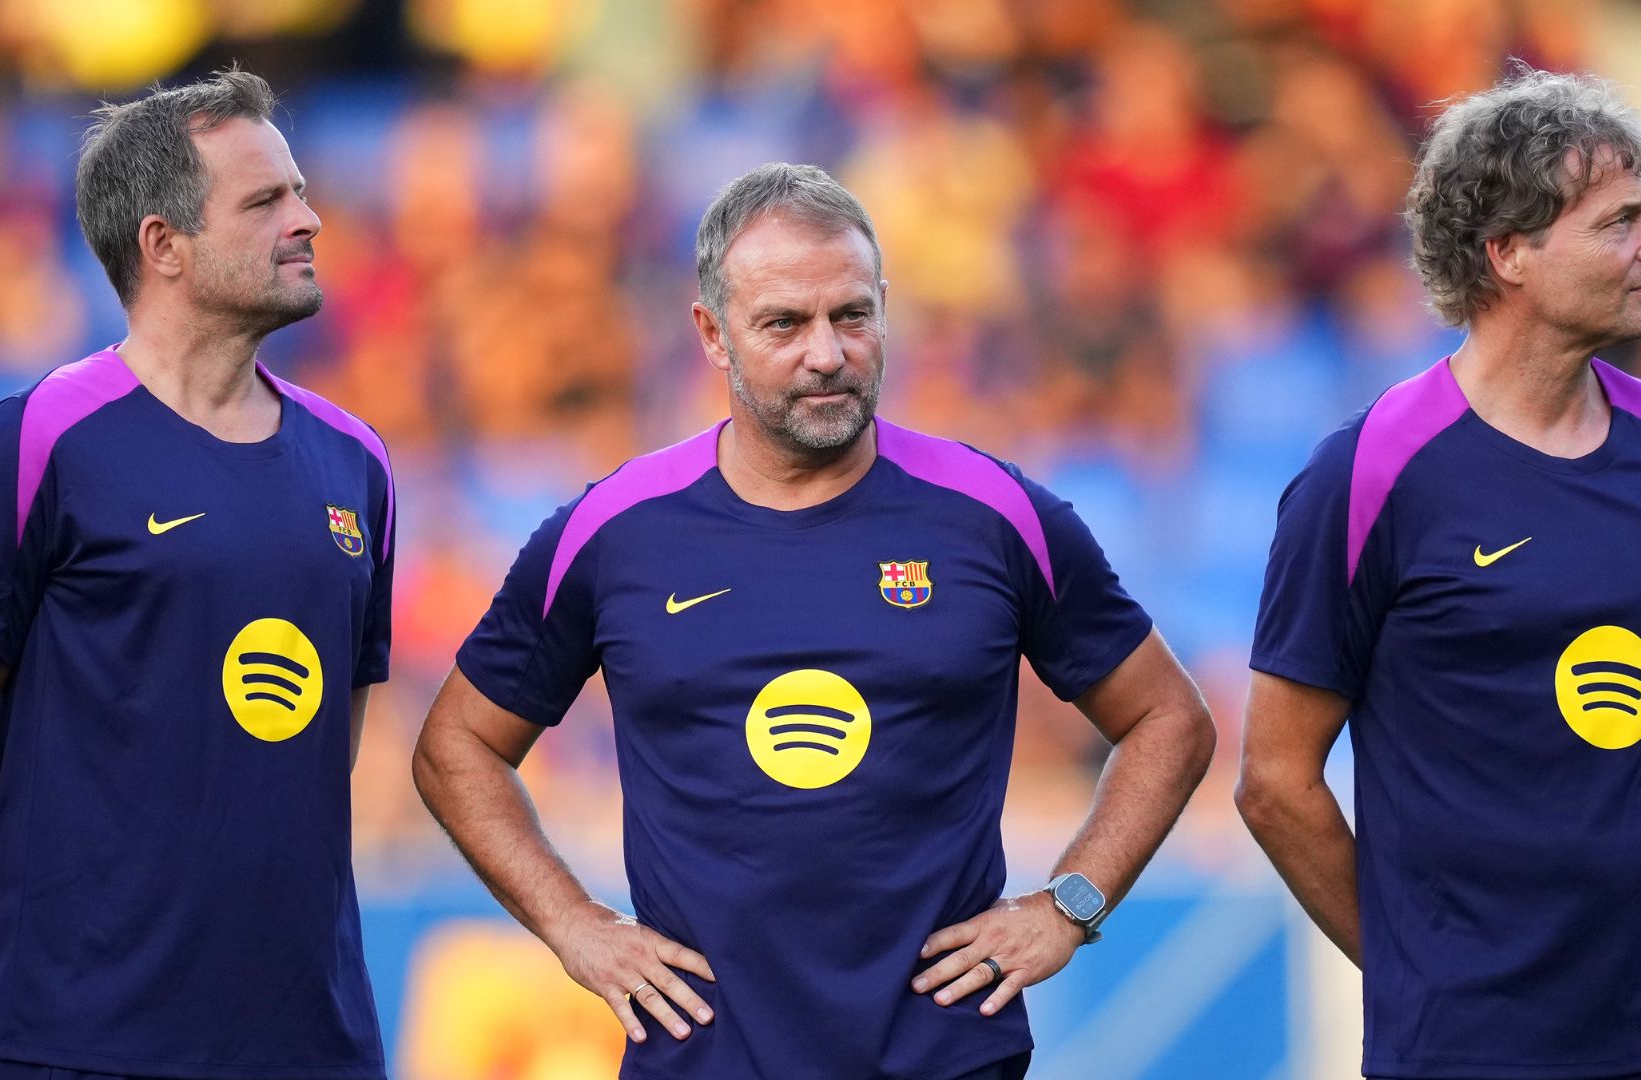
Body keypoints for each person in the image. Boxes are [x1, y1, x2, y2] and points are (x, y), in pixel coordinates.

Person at [412, 162, 1215, 1080]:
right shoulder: (612, 532)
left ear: (885, 309)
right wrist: (574, 924)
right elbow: (456, 746)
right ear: (713, 334)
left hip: (944, 1056)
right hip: (701, 1061)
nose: (827, 353)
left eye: (853, 316)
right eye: (785, 324)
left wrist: (1069, 905)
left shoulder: (995, 515)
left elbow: (1170, 718)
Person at [1236, 66, 1641, 1079]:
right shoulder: (1370, 472)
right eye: (1618, 222)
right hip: (1471, 1043)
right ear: (1508, 252)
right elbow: (1274, 781)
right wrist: (1412, 965)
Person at [0, 69, 394, 1080]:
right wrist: (38, 973)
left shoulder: (357, 464)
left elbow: (319, 751)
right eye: (266, 201)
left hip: (312, 1047)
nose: (310, 219)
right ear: (163, 245)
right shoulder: (30, 448)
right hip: (81, 1051)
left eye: (298, 191)